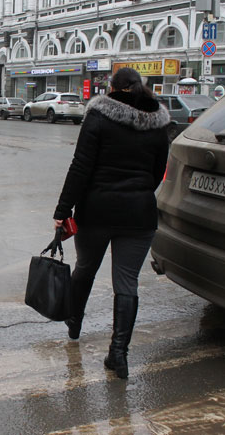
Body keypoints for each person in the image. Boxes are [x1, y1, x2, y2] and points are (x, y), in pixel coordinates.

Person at [52, 67, 170, 379]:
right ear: (140, 87)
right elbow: (159, 171)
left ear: (112, 88)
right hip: (140, 214)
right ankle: (118, 354)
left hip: (96, 212)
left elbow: (80, 166)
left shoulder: (98, 116)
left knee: (86, 268)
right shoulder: (157, 122)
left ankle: (74, 321)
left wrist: (63, 209)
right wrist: (139, 191)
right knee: (127, 283)